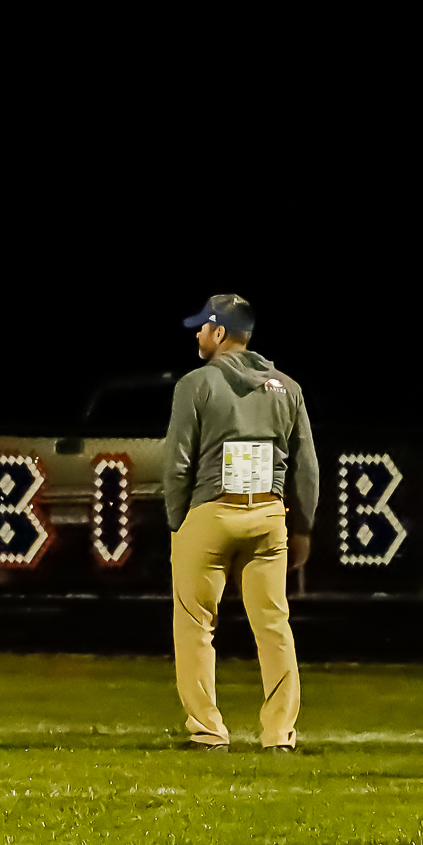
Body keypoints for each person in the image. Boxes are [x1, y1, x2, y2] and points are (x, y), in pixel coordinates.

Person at [161, 294, 319, 752]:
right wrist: (303, 526)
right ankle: (279, 735)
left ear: (218, 331)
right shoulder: (288, 388)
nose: (197, 334)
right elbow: (306, 466)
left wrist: (178, 519)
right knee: (274, 627)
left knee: (195, 625)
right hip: (268, 514)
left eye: (202, 327)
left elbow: (177, 462)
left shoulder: (195, 384)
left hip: (211, 512)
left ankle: (208, 731)